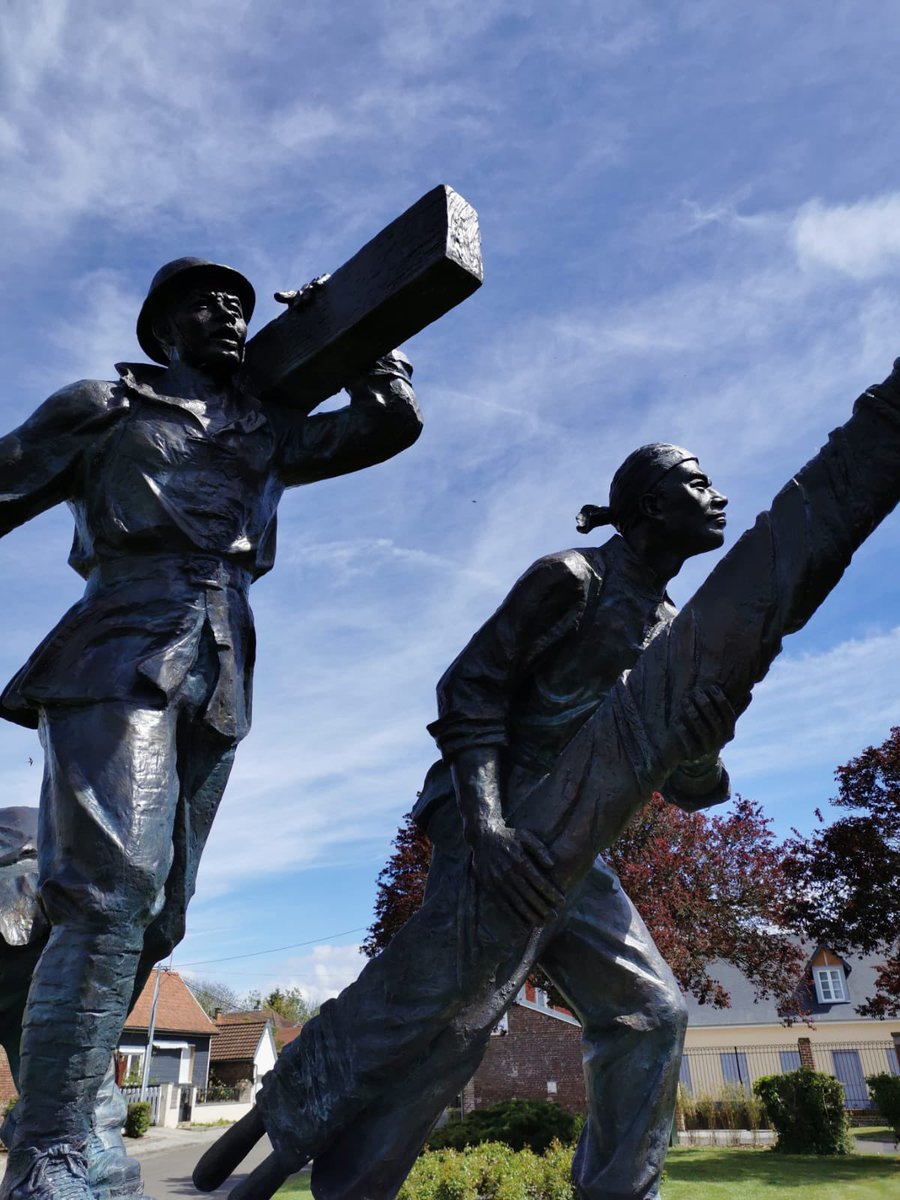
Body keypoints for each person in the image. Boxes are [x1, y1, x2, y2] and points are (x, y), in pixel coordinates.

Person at [199, 353, 900, 1200]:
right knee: (452, 1011)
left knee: (651, 1016)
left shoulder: (675, 630)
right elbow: (468, 693)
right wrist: (488, 827)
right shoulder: (574, 578)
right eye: (698, 482)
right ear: (649, 504)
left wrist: (705, 747)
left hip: (579, 844)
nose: (718, 496)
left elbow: (685, 785)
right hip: (495, 820)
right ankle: (292, 1148)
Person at [0, 257, 422, 1200]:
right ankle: (54, 1147)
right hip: (116, 642)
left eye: (238, 301)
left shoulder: (262, 427)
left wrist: (361, 337)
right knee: (112, 886)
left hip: (223, 654)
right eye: (204, 302)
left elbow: (389, 422)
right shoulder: (102, 408)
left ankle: (70, 1101)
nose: (228, 313)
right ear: (161, 328)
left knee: (160, 909)